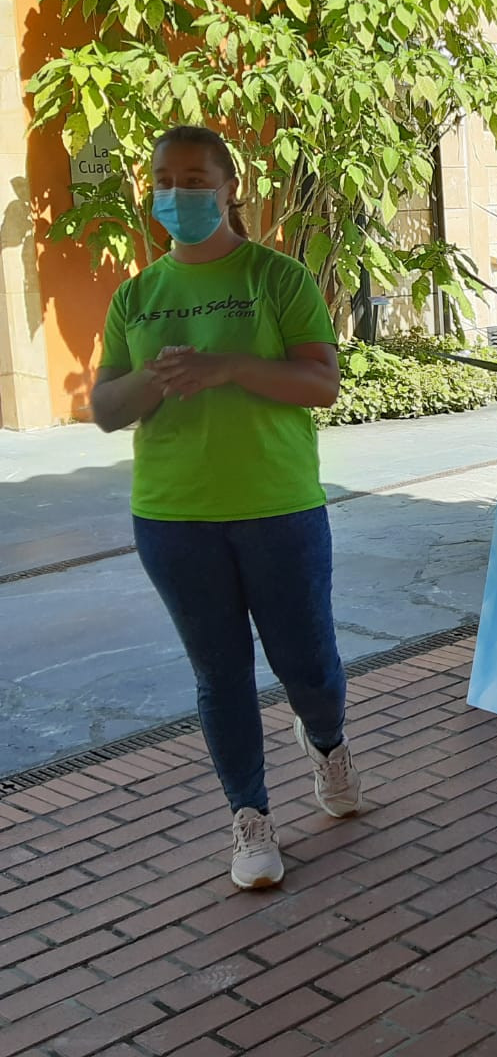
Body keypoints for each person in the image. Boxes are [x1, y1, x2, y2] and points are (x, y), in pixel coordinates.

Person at [92, 125, 362, 890]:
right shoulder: (137, 296)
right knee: (221, 676)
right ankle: (251, 820)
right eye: (164, 180)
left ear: (228, 187)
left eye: (194, 178)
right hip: (173, 519)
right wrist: (156, 382)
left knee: (306, 663)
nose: (177, 194)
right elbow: (107, 407)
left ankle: (329, 743)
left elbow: (320, 384)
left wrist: (229, 367)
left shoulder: (274, 278)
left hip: (278, 508)